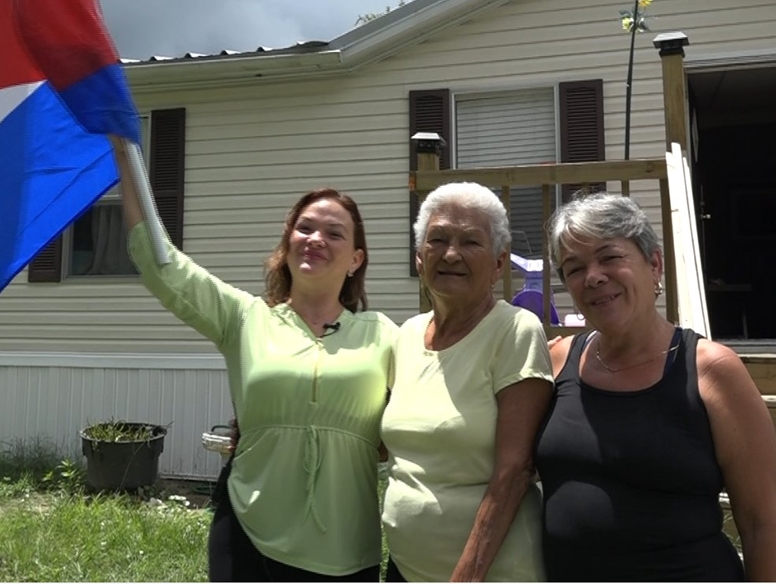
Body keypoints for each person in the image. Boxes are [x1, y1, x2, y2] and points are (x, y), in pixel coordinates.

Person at [108, 137, 396, 582]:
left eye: (334, 233)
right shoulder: (244, 318)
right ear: (288, 243)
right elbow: (163, 265)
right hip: (247, 532)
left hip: (345, 547)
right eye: (304, 228)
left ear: (356, 259)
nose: (315, 239)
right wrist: (124, 153)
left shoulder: (387, 335)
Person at [534, 192, 776, 581]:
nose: (594, 276)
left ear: (654, 264)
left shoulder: (711, 371)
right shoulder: (557, 362)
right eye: (574, 268)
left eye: (610, 257)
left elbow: (760, 524)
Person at [381, 182, 554, 582]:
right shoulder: (405, 335)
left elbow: (515, 471)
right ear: (420, 259)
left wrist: (466, 577)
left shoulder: (514, 331)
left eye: (471, 241)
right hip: (407, 570)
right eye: (438, 239)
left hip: (491, 573)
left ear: (498, 263)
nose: (451, 253)